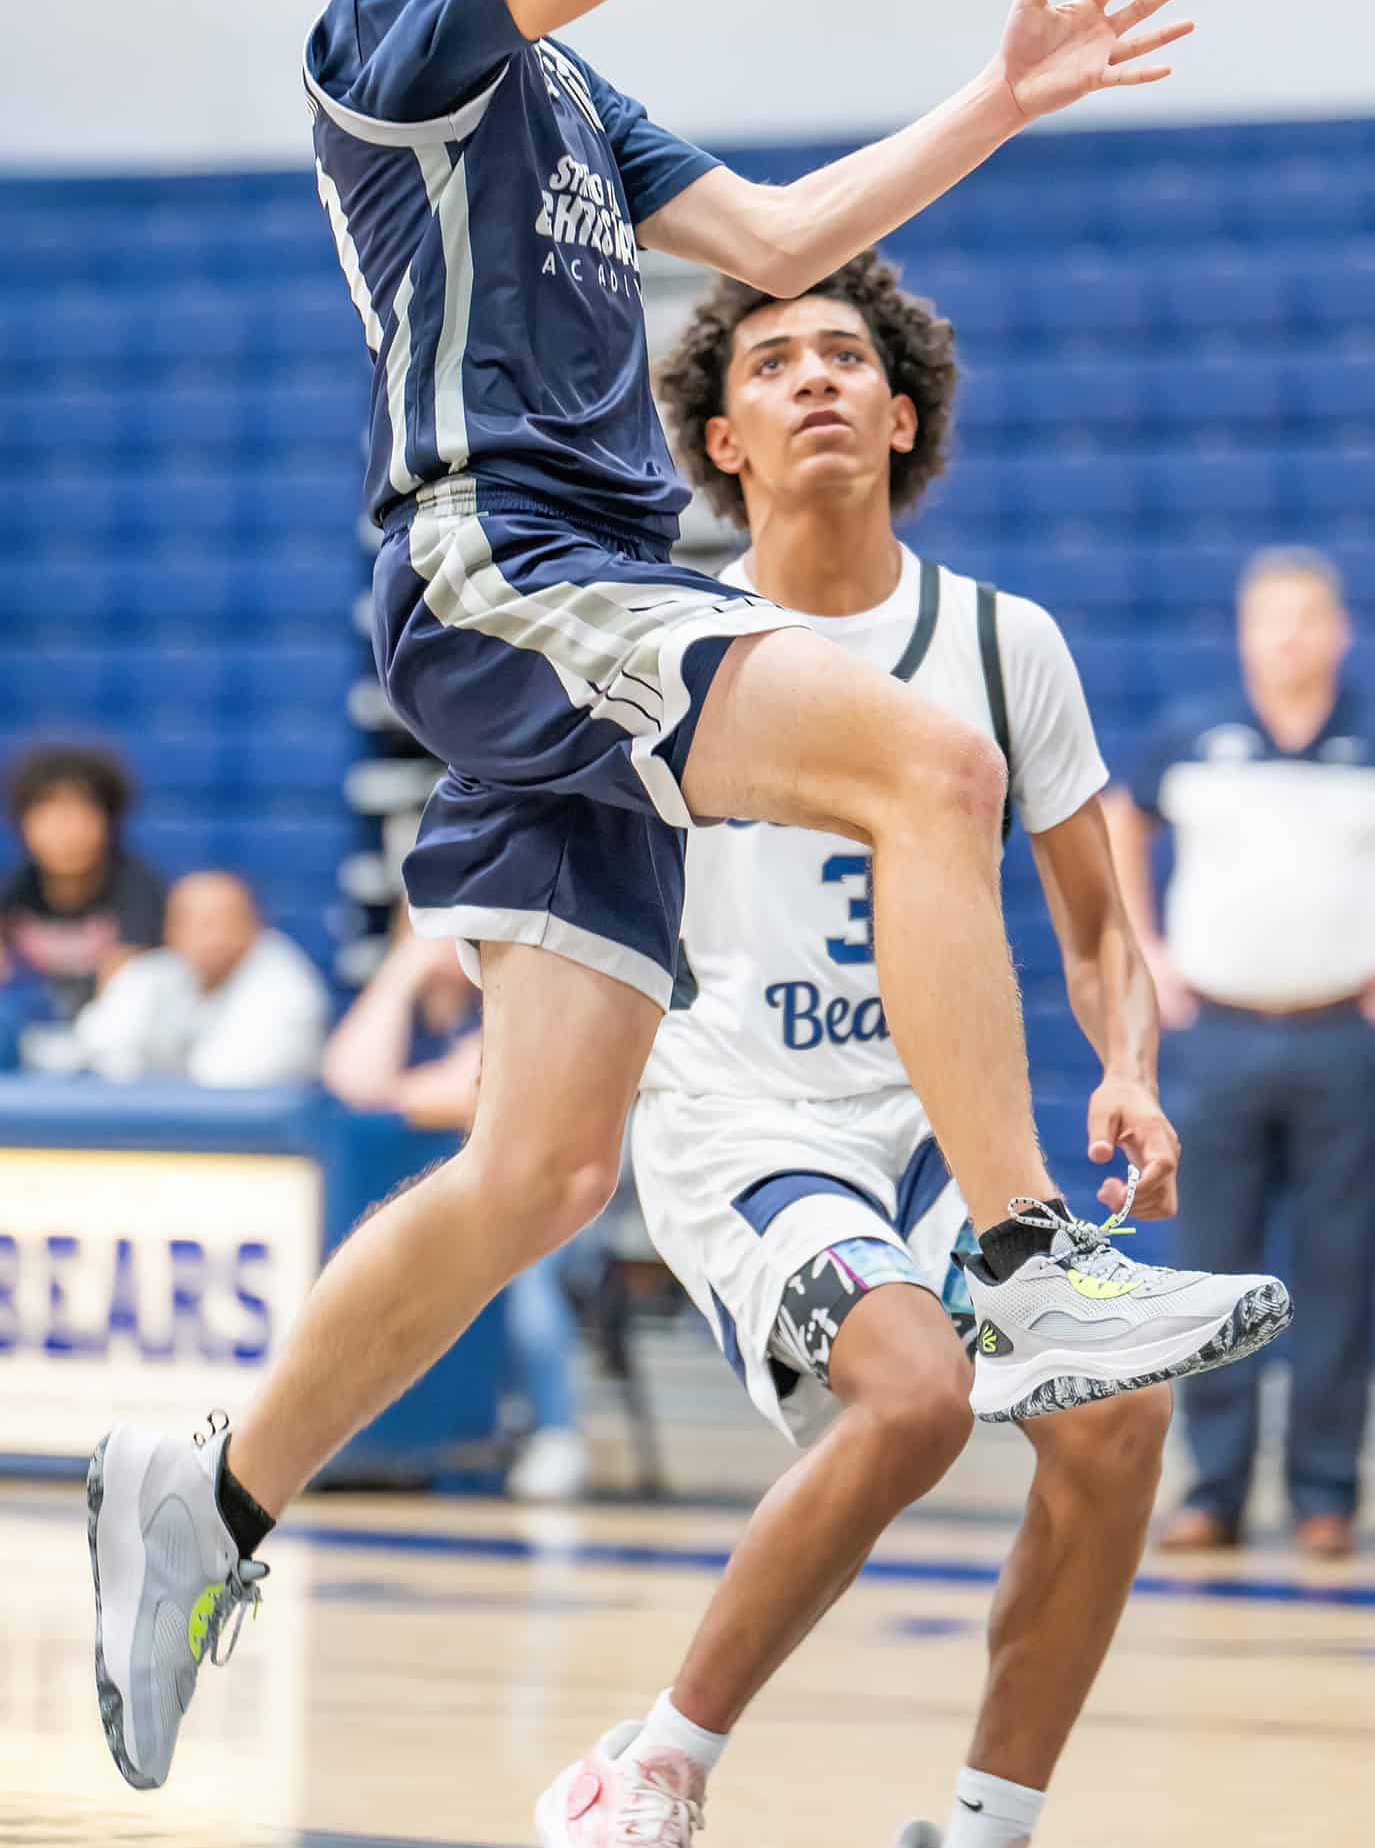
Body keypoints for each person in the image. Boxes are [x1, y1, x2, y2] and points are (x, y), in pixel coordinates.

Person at [87, 0, 1272, 1802]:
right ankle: (1029, 1247)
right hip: (511, 568)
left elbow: (781, 230)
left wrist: (994, 100)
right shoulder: (403, 21)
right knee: (924, 758)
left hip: (569, 605)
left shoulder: (545, 70)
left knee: (532, 1171)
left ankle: (198, 1495)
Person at [536, 254, 1188, 1848]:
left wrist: (1126, 1069)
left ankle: (983, 1825)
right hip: (743, 1115)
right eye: (771, 364)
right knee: (908, 1394)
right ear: (720, 441)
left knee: (1114, 1417)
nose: (814, 376)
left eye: (844, 356)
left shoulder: (998, 638)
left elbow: (1098, 928)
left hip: (931, 1125)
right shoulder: (658, 643)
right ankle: (654, 1763)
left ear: (901, 418)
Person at [1107, 548, 1375, 1562]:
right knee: (1216, 1270)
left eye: (1308, 619)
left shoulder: (1366, 731)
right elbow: (1117, 819)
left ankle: (1323, 1496)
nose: (1290, 638)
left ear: (1336, 631)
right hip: (1215, 1038)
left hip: (1340, 1039)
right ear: (1245, 633)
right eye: (1271, 620)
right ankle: (1212, 1490)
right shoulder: (1191, 734)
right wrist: (1150, 951)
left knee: (1341, 1277)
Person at [322, 919, 591, 1499]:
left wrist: (399, 1096)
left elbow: (471, 1095)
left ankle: (555, 1431)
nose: (434, 941)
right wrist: (400, 975)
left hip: (552, 1202)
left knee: (524, 1273)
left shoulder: (515, 1001)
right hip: (441, 1204)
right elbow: (348, 1080)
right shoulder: (400, 1015)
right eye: (418, 928)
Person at [69, 871, 330, 1086]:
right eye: (194, 921)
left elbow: (228, 1082)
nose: (211, 935)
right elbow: (94, 1044)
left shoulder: (286, 987)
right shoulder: (158, 972)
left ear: (256, 925)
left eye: (225, 920)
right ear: (169, 931)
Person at [0, 743, 166, 1064]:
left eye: (80, 815)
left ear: (108, 822)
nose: (66, 832)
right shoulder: (13, 890)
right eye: (51, 817)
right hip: (37, 1041)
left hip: (124, 1051)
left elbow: (128, 994)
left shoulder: (138, 889)